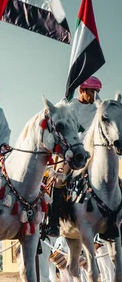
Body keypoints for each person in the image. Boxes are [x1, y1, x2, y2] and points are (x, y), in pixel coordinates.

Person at [44, 76, 102, 238]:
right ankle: (53, 222)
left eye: (97, 91)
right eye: (92, 91)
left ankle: (111, 220)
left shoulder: (97, 108)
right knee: (59, 179)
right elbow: (57, 115)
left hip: (92, 152)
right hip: (72, 151)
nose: (95, 94)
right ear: (82, 90)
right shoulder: (70, 105)